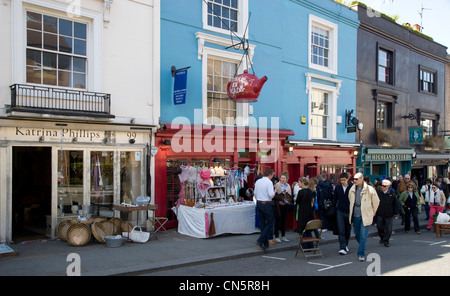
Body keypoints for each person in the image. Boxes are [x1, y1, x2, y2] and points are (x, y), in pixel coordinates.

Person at [348, 172, 379, 262]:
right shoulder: (352, 189)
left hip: (366, 215)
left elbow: (376, 202)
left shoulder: (370, 189)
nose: (355, 181)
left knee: (363, 235)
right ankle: (362, 245)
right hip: (356, 215)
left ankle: (361, 253)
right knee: (357, 234)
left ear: (362, 179)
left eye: (357, 179)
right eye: (354, 179)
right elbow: (350, 200)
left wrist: (372, 213)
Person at [254, 168, 276, 250]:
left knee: (262, 223)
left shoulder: (258, 181)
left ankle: (265, 243)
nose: (272, 177)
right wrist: (275, 191)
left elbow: (255, 195)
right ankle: (260, 240)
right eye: (272, 175)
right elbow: (271, 196)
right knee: (270, 222)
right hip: (266, 204)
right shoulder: (269, 182)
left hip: (259, 203)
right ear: (270, 175)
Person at [332, 172, 353, 255]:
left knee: (347, 229)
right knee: (341, 230)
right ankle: (342, 247)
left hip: (349, 211)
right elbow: (335, 199)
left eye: (344, 180)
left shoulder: (352, 187)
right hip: (339, 210)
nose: (342, 182)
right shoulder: (338, 187)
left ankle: (346, 244)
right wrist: (332, 208)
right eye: (341, 180)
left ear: (347, 179)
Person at [376, 179, 398, 247]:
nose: (382, 187)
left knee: (388, 229)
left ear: (388, 187)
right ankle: (382, 237)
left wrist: (396, 213)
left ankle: (386, 241)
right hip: (380, 213)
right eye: (382, 185)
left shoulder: (392, 193)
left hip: (389, 213)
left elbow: (395, 204)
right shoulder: (378, 192)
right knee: (379, 227)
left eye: (384, 186)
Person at [273, 171, 292, 243]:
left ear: (286, 179)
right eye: (281, 178)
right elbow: (275, 194)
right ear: (280, 178)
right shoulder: (277, 185)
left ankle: (283, 236)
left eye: (284, 178)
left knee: (284, 220)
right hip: (279, 204)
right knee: (278, 220)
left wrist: (288, 200)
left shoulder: (288, 185)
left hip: (286, 204)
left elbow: (290, 194)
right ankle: (276, 236)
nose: (283, 179)